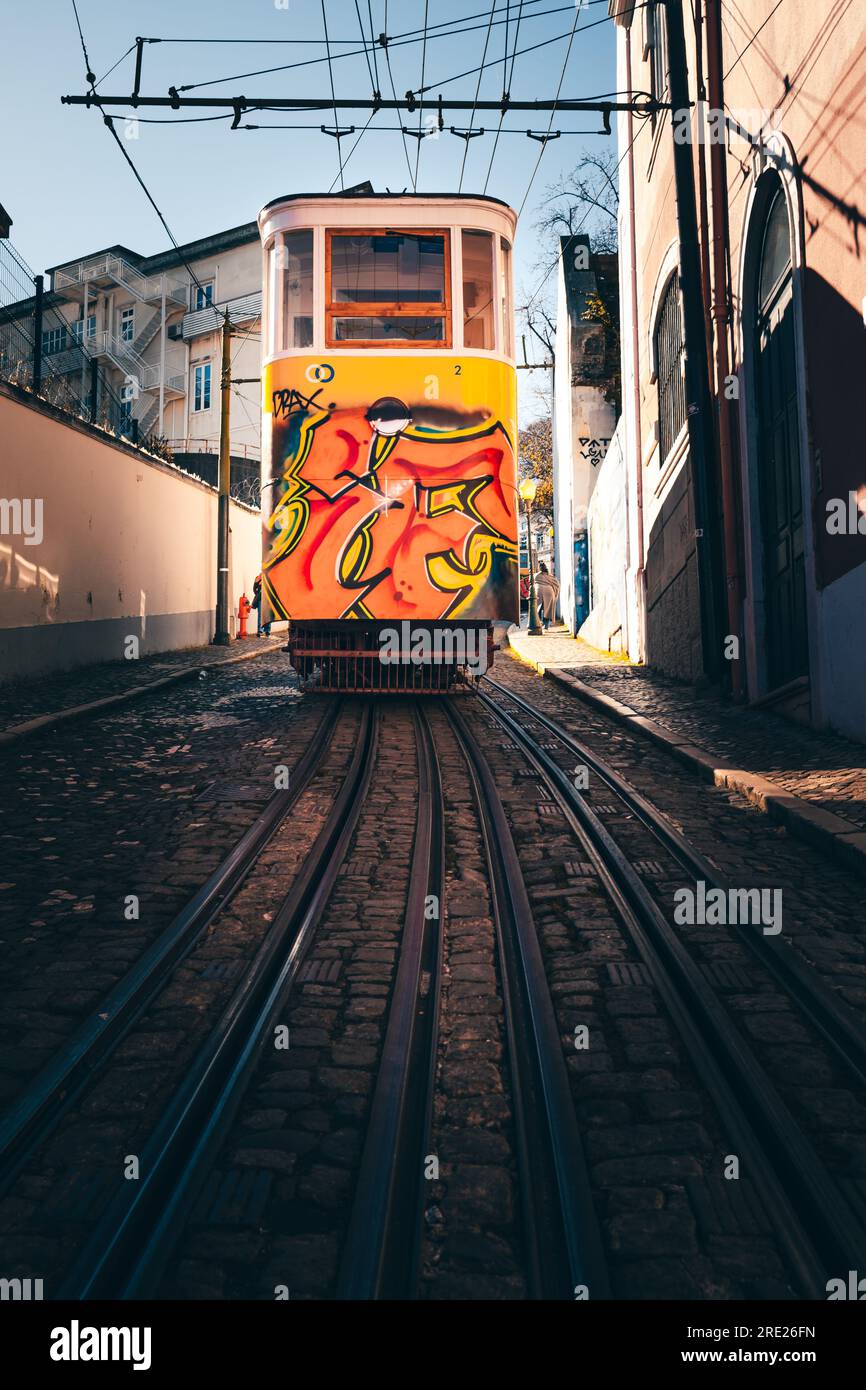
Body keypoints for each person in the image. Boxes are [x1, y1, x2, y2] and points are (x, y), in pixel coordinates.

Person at [534, 562, 560, 630]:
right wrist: (555, 592)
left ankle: (539, 623)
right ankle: (546, 626)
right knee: (548, 610)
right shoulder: (550, 576)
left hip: (538, 592)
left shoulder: (536, 575)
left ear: (539, 568)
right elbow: (557, 584)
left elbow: (531, 582)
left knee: (538, 609)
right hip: (549, 592)